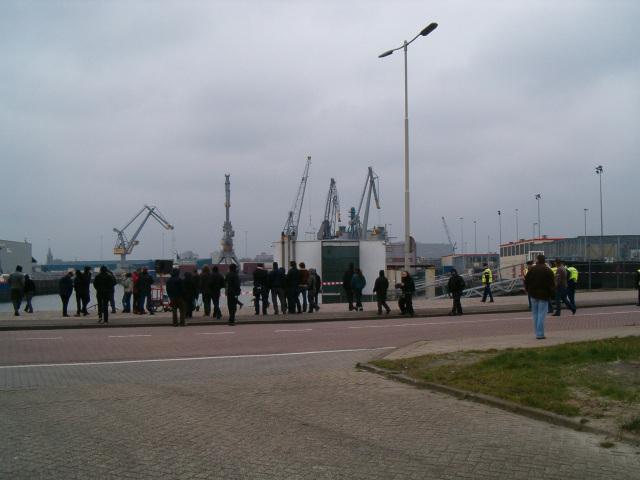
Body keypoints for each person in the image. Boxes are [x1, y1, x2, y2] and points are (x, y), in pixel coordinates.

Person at [523, 254, 556, 339]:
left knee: (535, 314)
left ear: (537, 260)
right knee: (542, 314)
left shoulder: (531, 270)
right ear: (544, 261)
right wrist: (553, 297)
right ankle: (540, 334)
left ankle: (537, 332)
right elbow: (551, 285)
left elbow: (526, 282)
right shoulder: (548, 271)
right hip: (544, 295)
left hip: (533, 294)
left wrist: (528, 290)